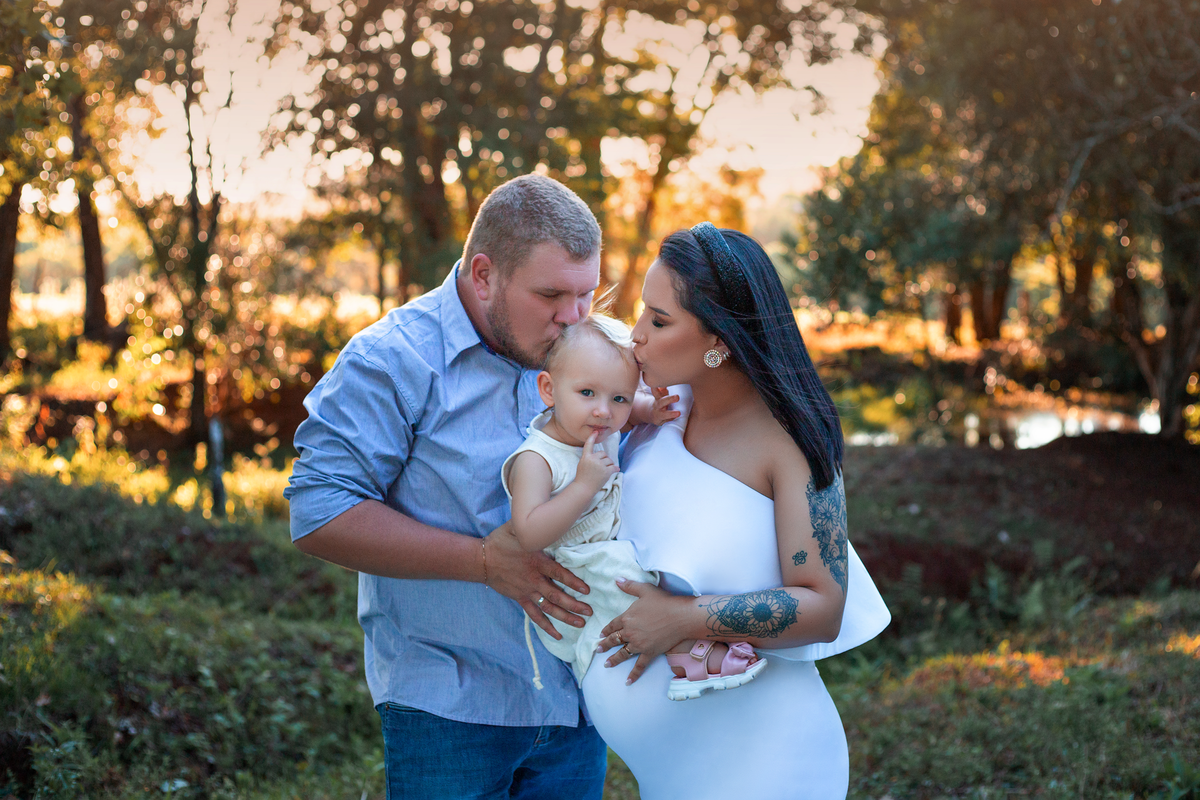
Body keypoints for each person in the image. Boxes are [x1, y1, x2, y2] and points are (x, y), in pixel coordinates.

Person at [284, 175, 610, 800]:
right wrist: (485, 563)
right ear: (483, 274)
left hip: (577, 707)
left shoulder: (589, 351)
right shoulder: (391, 360)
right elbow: (320, 510)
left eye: (586, 294)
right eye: (550, 296)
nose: (572, 318)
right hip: (449, 708)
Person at [580, 223, 891, 799]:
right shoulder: (660, 411)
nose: (635, 337)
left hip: (768, 762)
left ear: (718, 340)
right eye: (641, 313)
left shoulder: (791, 443)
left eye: (659, 320)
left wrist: (682, 617)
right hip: (674, 771)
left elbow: (822, 606)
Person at [502, 314, 766, 699]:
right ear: (548, 389)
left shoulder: (596, 424)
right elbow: (528, 533)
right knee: (629, 583)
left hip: (605, 545)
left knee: (640, 572)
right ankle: (689, 657)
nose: (604, 412)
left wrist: (649, 411)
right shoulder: (537, 459)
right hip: (573, 566)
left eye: (619, 398)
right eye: (587, 393)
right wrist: (582, 485)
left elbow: (628, 413)